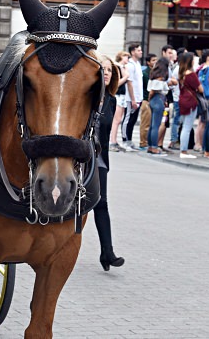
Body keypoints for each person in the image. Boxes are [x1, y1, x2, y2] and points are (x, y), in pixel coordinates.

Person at [93, 55, 125, 272]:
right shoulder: (84, 95)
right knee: (74, 205)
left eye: (109, 71)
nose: (106, 73)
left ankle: (108, 252)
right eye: (102, 69)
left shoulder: (111, 100)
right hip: (77, 156)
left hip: (99, 159)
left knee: (101, 203)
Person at [177, 51, 202, 159]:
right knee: (187, 127)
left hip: (183, 100)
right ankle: (184, 151)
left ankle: (183, 149)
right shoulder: (191, 74)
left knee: (184, 126)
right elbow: (200, 89)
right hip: (191, 101)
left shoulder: (181, 73)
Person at [121, 43, 143, 150]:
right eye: (139, 50)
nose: (141, 52)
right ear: (133, 52)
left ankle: (129, 140)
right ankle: (125, 140)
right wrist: (133, 99)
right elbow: (129, 83)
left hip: (139, 97)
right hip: (131, 98)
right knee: (127, 119)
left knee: (133, 120)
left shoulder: (137, 64)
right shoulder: (129, 65)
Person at [146, 57, 170, 156]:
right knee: (156, 125)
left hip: (154, 100)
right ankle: (154, 147)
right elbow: (153, 91)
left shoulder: (153, 75)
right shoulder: (160, 77)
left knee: (152, 125)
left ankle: (150, 146)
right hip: (158, 98)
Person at [109, 51, 130, 151]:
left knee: (118, 120)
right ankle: (112, 141)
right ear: (121, 57)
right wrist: (125, 77)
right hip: (117, 95)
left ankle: (114, 140)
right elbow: (116, 83)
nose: (127, 59)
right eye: (126, 57)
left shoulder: (122, 68)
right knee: (116, 120)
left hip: (121, 96)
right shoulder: (117, 67)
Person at [139, 53, 157, 149]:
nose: (155, 62)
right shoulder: (145, 73)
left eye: (156, 60)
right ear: (148, 62)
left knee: (150, 124)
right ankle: (143, 143)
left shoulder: (154, 72)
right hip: (146, 100)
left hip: (152, 100)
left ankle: (147, 142)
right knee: (145, 123)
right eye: (153, 60)